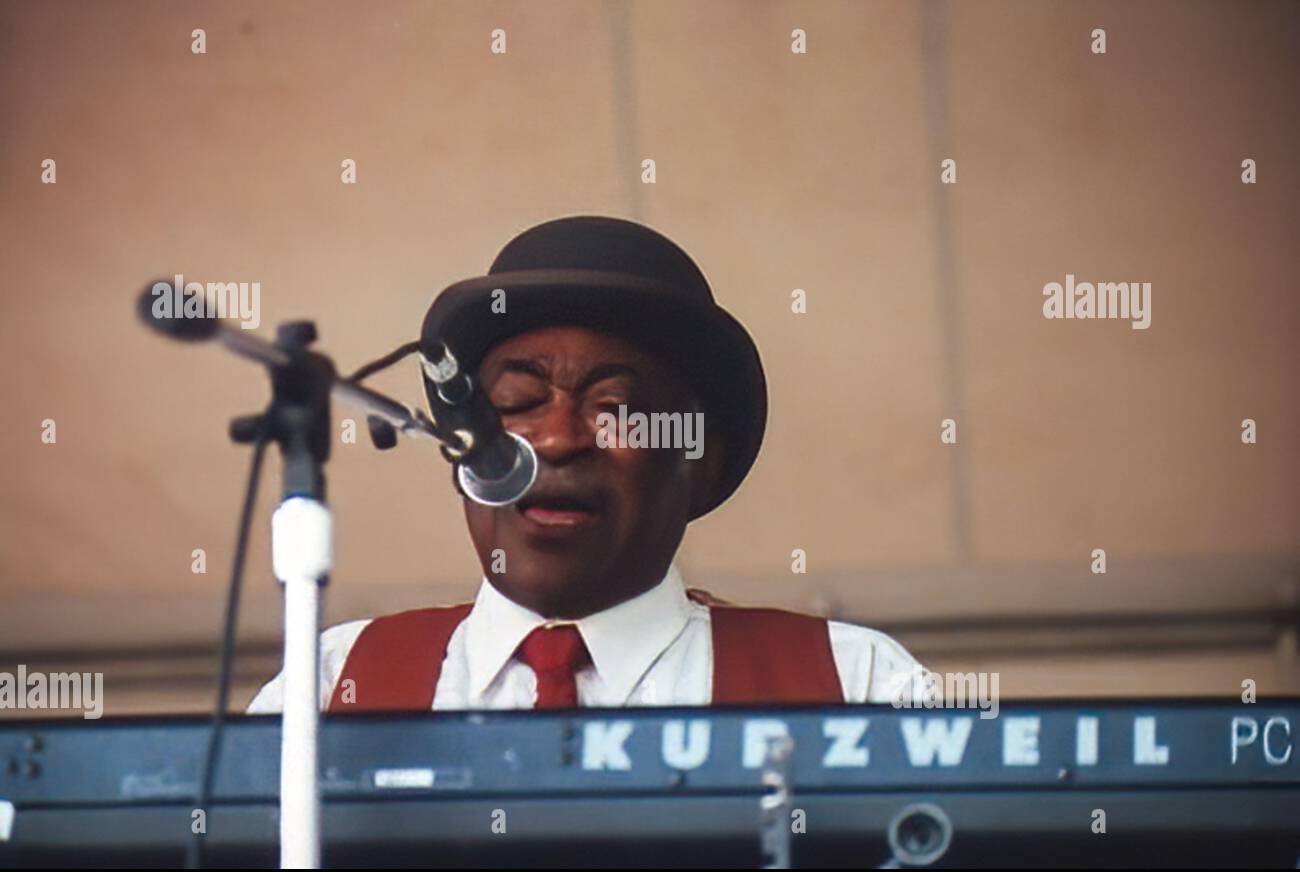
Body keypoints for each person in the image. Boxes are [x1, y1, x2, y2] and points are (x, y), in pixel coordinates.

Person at [248, 215, 920, 713]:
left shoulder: (856, 684)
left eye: (615, 405)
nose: (559, 438)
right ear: (461, 451)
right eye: (517, 400)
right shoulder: (327, 686)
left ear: (701, 463)